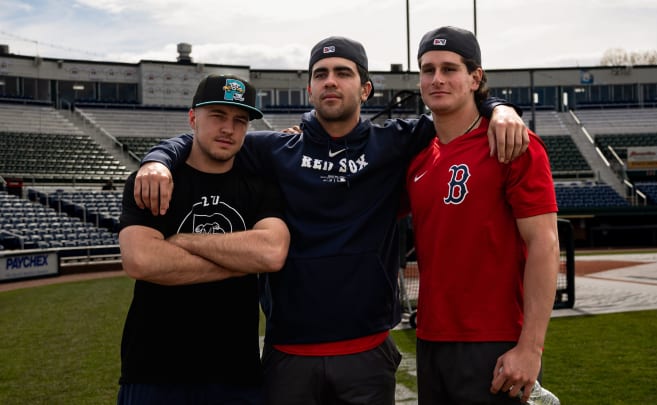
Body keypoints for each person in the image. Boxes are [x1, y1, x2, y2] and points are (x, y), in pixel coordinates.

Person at [132, 36, 529, 405]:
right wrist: (158, 158)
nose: (331, 82)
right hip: (289, 352)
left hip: (367, 352)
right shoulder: (275, 149)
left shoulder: (396, 142)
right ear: (310, 89)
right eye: (320, 74)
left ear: (366, 88)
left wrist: (501, 108)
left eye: (343, 73)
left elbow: (458, 110)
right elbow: (209, 136)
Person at [406, 26, 560, 404]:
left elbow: (544, 242)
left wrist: (531, 349)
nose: (437, 79)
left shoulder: (512, 143)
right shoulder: (418, 158)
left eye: (449, 68)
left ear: (475, 77)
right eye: (428, 70)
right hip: (430, 340)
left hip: (494, 343)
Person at [116, 74, 290, 405]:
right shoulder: (154, 181)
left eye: (240, 120)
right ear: (193, 118)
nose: (229, 128)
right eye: (218, 116)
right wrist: (239, 262)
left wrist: (183, 241)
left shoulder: (260, 187)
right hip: (154, 372)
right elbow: (142, 260)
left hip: (236, 375)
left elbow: (270, 253)